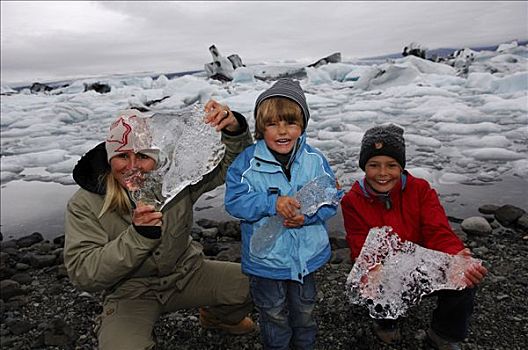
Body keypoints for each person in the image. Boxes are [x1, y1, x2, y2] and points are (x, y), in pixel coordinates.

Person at [64, 100, 255, 350]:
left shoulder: (173, 181)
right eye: (122, 156)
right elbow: (83, 273)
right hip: (131, 292)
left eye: (143, 156)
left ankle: (218, 318)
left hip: (189, 274)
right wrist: (138, 237)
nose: (132, 166)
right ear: (109, 159)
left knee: (260, 284)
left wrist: (234, 129)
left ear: (156, 157)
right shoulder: (85, 203)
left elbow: (232, 166)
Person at [341, 124, 488, 350]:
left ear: (401, 167)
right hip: (383, 265)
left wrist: (456, 255)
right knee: (376, 278)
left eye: (391, 165)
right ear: (364, 167)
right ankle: (386, 322)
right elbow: (359, 242)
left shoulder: (420, 190)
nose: (382, 173)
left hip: (418, 264)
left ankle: (443, 333)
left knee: (463, 277)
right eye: (373, 165)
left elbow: (437, 230)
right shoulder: (353, 200)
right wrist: (374, 269)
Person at [224, 78, 339, 350]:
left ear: (302, 126)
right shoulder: (247, 164)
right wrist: (271, 203)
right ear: (261, 128)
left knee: (306, 311)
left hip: (306, 258)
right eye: (273, 124)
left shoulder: (315, 160)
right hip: (267, 260)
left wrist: (307, 217)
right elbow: (234, 202)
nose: (282, 131)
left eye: (290, 123)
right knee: (272, 313)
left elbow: (330, 199)